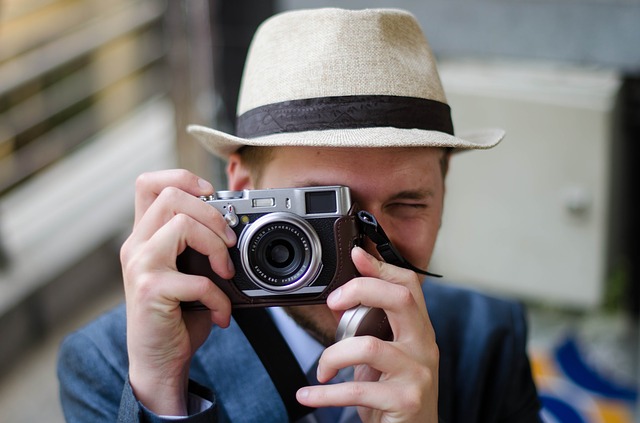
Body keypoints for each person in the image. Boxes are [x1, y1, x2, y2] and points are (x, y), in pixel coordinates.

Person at [58, 7, 542, 423]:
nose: (361, 252)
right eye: (321, 209)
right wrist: (163, 390)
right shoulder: (114, 366)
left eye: (407, 204)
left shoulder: (489, 335)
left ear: (444, 191)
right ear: (242, 189)